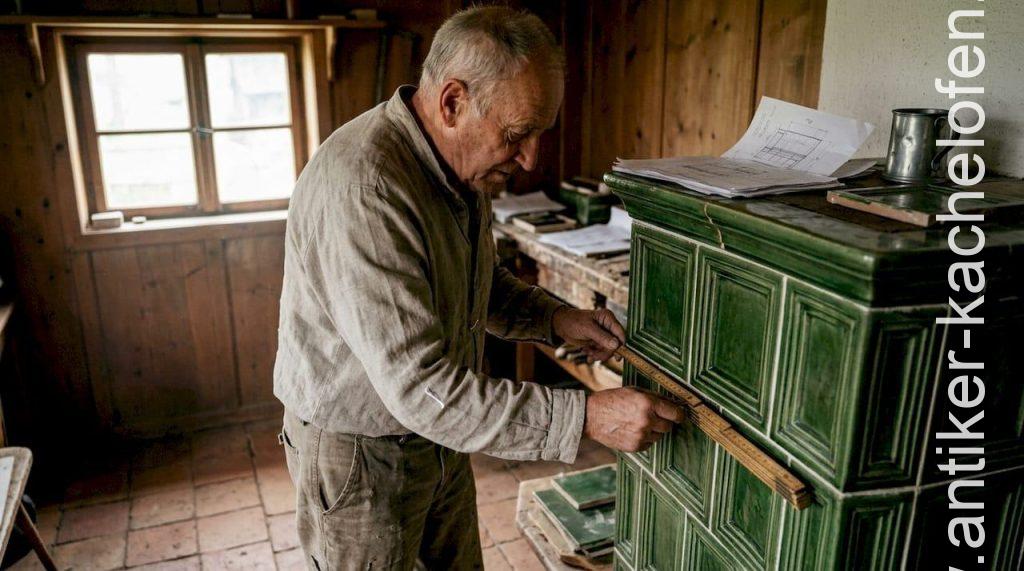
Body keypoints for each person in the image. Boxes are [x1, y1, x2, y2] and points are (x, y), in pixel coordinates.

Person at [273, 6, 684, 569]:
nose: (530, 157)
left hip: (437, 435)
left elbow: (473, 287)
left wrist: (557, 319)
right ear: (452, 103)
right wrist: (585, 418)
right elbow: (421, 388)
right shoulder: (368, 190)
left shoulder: (459, 165)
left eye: (539, 134)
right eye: (518, 135)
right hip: (361, 456)